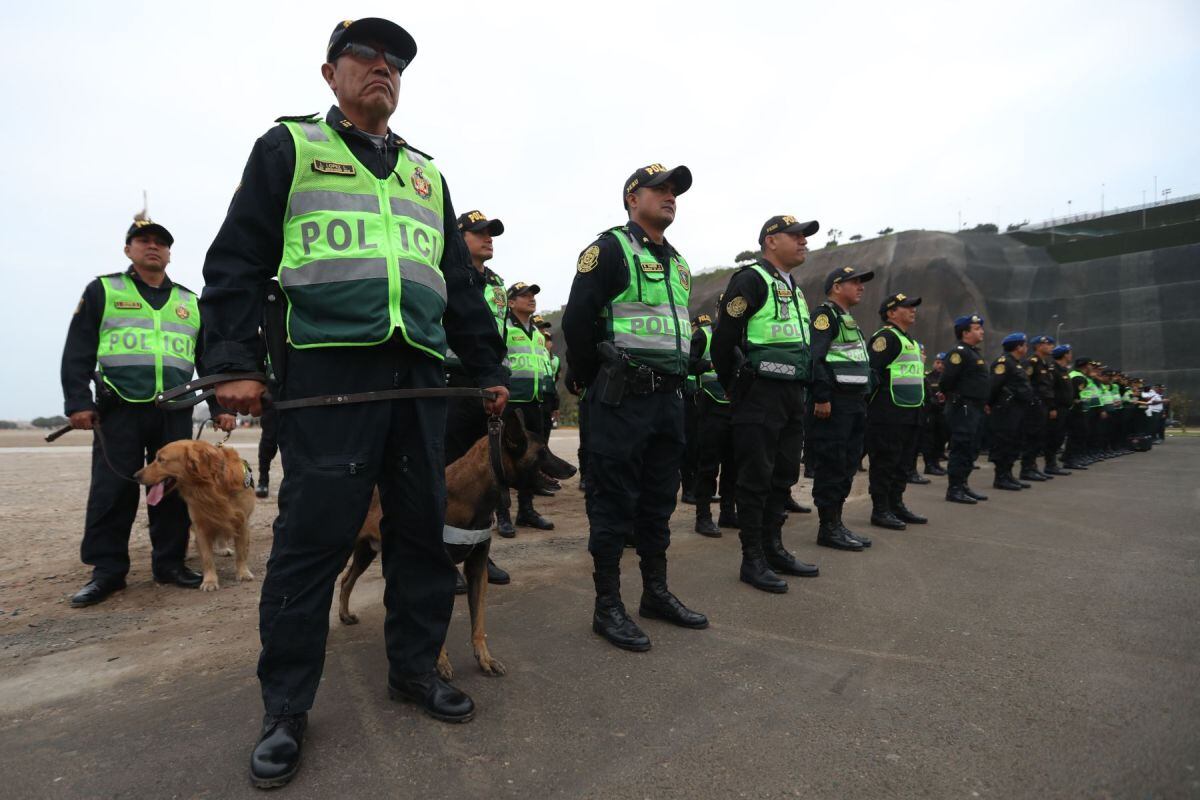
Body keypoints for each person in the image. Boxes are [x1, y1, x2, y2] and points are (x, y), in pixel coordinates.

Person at [199, 19, 510, 788]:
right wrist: (235, 363)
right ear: (330, 72)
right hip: (330, 379)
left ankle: (413, 670)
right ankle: (286, 710)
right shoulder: (290, 148)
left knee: (419, 536)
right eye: (366, 57)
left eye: (396, 61)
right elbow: (236, 260)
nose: (384, 68)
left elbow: (457, 282)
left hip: (419, 383)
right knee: (313, 546)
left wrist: (488, 362)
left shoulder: (426, 175)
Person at [562, 162, 707, 652]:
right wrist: (588, 379)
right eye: (659, 190)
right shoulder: (607, 250)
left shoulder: (680, 264)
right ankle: (608, 607)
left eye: (674, 192)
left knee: (658, 502)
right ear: (631, 198)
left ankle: (655, 593)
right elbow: (579, 322)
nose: (670, 197)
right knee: (612, 505)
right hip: (621, 400)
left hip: (669, 400)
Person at [61, 216, 236, 608]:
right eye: (143, 241)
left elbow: (207, 359)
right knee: (113, 490)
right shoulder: (104, 290)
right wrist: (77, 402)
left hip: (174, 410)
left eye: (160, 242)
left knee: (174, 490)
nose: (152, 246)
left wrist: (220, 406)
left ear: (170, 253)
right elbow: (78, 350)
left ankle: (169, 564)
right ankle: (107, 572)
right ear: (129, 250)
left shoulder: (190, 302)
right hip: (118, 409)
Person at [711, 215, 821, 592]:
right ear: (771, 241)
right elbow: (723, 341)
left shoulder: (795, 288)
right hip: (759, 394)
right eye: (796, 235)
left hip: (792, 394)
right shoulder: (750, 280)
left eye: (805, 236)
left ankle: (774, 548)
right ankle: (752, 558)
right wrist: (737, 386)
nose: (804, 241)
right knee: (755, 476)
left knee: (784, 474)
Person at [443, 210, 511, 581]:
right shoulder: (444, 277)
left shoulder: (498, 285)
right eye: (479, 233)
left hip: (485, 386)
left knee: (486, 475)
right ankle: (446, 557)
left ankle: (479, 554)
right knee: (451, 472)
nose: (488, 239)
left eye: (491, 234)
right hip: (451, 384)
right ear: (458, 237)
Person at [807, 265, 876, 550]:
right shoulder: (825, 316)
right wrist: (822, 397)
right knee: (832, 464)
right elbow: (816, 359)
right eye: (854, 282)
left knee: (848, 464)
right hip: (834, 404)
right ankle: (827, 527)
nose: (861, 287)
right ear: (837, 286)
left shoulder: (848, 320)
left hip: (853, 403)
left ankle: (837, 523)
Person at [866, 293, 928, 530]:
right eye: (907, 306)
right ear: (891, 313)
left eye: (914, 306)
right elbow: (873, 373)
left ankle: (896, 504)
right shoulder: (885, 338)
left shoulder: (908, 340)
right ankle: (880, 509)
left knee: (903, 463)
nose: (913, 310)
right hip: (888, 413)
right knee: (885, 462)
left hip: (909, 412)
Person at [500, 282, 555, 530]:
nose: (531, 299)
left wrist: (550, 396)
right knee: (501, 459)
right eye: (524, 296)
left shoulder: (537, 333)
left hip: (535, 402)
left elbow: (543, 368)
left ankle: (526, 510)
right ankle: (502, 515)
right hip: (511, 402)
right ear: (511, 302)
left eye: (533, 295)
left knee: (531, 460)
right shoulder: (503, 327)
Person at [689, 311, 737, 537]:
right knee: (708, 464)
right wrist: (709, 364)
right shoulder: (704, 334)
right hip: (711, 405)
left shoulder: (744, 332)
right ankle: (703, 516)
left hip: (737, 406)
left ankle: (728, 512)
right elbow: (689, 363)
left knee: (733, 463)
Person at [940, 314, 991, 504]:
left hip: (974, 407)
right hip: (963, 406)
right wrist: (952, 396)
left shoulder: (973, 352)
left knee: (971, 447)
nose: (981, 331)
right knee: (961, 447)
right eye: (977, 328)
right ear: (965, 332)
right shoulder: (959, 352)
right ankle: (954, 488)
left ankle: (963, 485)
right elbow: (946, 380)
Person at [989, 333, 1035, 491]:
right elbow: (993, 386)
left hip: (1018, 409)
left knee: (1015, 441)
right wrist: (990, 404)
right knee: (1004, 442)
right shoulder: (1004, 362)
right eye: (1025, 344)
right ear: (1018, 347)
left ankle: (1008, 474)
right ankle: (1000, 476)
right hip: (1006, 410)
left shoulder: (1016, 363)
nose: (1026, 348)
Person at [1020, 335, 1056, 481]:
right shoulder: (1032, 362)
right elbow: (1026, 383)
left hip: (1043, 404)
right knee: (1032, 437)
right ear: (1038, 346)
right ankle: (1026, 469)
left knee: (1039, 437)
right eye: (1047, 344)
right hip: (1035, 405)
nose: (1051, 346)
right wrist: (1032, 401)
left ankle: (1033, 467)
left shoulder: (1044, 363)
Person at [1045, 343, 1074, 475]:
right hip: (1057, 409)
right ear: (1064, 355)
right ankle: (1050, 465)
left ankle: (1053, 464)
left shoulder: (1063, 370)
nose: (1070, 355)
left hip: (1065, 408)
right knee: (1054, 436)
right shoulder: (1053, 369)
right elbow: (1049, 390)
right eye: (1069, 353)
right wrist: (1052, 407)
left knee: (1060, 436)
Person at [921, 352, 949, 475]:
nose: (939, 365)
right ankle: (929, 465)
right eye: (937, 362)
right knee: (929, 440)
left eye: (942, 363)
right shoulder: (928, 377)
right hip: (931, 413)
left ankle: (936, 462)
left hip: (944, 412)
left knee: (941, 438)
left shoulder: (948, 378)